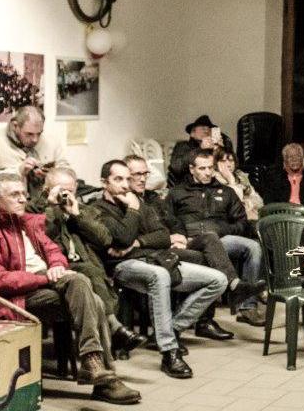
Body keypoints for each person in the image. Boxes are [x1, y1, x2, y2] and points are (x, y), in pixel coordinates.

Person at [0, 173, 140, 404]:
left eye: (23, 194)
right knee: (88, 295)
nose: (23, 199)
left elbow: (53, 249)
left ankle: (96, 368)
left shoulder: (25, 221)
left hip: (46, 283)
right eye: (14, 195)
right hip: (14, 298)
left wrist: (56, 265)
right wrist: (46, 276)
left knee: (84, 289)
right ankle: (102, 377)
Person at [92, 160, 228, 379]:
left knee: (218, 280)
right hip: (122, 267)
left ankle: (171, 328)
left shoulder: (137, 203)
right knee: (160, 275)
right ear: (104, 182)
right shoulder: (98, 210)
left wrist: (136, 243)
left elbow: (163, 236)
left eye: (128, 178)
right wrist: (133, 211)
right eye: (118, 179)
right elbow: (120, 238)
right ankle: (169, 351)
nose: (126, 184)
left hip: (154, 258)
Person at [125, 154, 258, 340]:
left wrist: (176, 236)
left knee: (211, 243)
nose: (142, 178)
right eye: (136, 174)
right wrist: (175, 236)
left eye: (145, 173)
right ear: (191, 169)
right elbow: (133, 234)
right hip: (155, 250)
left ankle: (232, 290)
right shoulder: (169, 194)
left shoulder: (153, 198)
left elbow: (168, 221)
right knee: (207, 257)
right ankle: (195, 322)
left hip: (184, 242)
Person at [33, 168, 146, 355]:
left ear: (76, 188)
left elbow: (104, 239)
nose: (66, 194)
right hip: (54, 266)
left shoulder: (86, 210)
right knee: (91, 272)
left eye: (71, 190)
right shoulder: (36, 209)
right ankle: (115, 330)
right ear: (47, 188)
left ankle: (108, 341)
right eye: (61, 189)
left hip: (87, 265)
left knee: (93, 273)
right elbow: (39, 235)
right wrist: (51, 207)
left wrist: (78, 215)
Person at [166, 148, 264, 326]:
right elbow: (169, 219)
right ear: (191, 169)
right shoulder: (177, 193)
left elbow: (242, 223)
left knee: (253, 247)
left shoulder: (226, 192)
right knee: (208, 240)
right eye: (202, 168)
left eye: (210, 168)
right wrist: (180, 234)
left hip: (221, 238)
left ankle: (247, 306)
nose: (207, 173)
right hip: (189, 241)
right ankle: (234, 286)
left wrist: (221, 230)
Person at [0, 106, 70, 196]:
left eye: (39, 133)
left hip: (45, 204)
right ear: (14, 126)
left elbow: (68, 173)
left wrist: (52, 175)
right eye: (29, 134)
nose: (35, 139)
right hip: (6, 207)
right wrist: (18, 171)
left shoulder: (52, 142)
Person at [168, 115, 232, 186]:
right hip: (188, 187)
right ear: (192, 133)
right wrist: (200, 149)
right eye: (203, 128)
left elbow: (229, 166)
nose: (207, 130)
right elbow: (177, 167)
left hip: (213, 186)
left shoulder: (214, 148)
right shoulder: (183, 146)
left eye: (209, 129)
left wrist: (220, 150)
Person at [213, 147, 263, 220]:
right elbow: (230, 206)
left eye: (231, 160)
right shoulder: (214, 180)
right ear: (216, 164)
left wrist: (248, 194)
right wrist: (231, 180)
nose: (228, 165)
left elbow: (257, 200)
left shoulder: (240, 175)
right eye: (223, 161)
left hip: (251, 214)